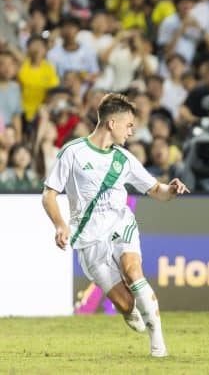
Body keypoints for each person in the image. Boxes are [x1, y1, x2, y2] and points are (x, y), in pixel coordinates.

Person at [41, 93, 190, 357]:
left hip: (121, 225)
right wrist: (60, 225)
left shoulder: (124, 159)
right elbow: (49, 194)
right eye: (129, 125)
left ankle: (159, 346)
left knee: (133, 272)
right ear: (112, 123)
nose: (132, 131)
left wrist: (172, 189)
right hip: (89, 240)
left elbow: (156, 190)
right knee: (127, 307)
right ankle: (134, 313)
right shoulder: (73, 153)